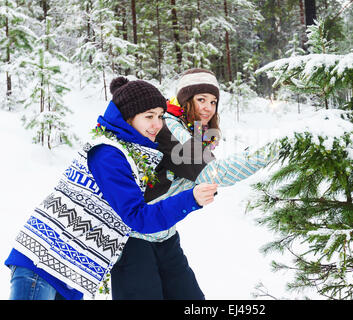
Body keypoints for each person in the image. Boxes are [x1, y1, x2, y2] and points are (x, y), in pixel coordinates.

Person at [4, 77, 218, 300]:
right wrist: (190, 199)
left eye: (160, 116)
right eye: (149, 117)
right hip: (42, 262)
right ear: (128, 117)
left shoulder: (131, 153)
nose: (157, 125)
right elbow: (137, 217)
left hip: (70, 269)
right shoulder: (109, 154)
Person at [110, 68, 276, 300]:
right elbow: (212, 173)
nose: (208, 107)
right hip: (134, 239)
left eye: (213, 101)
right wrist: (273, 150)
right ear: (185, 100)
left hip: (165, 235)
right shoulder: (168, 127)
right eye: (200, 99)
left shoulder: (198, 132)